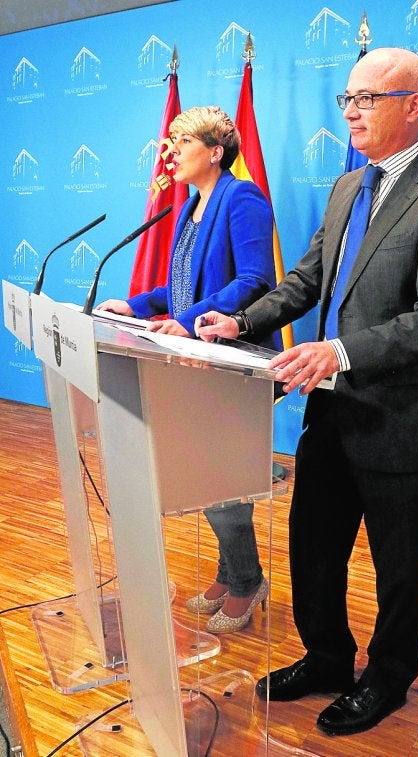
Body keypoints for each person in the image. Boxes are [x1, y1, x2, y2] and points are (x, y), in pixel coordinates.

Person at [195, 48, 418, 735]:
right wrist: (242, 320)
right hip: (330, 412)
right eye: (346, 99)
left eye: (367, 98)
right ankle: (326, 656)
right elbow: (303, 281)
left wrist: (342, 350)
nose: (351, 110)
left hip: (400, 418)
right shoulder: (345, 189)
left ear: (413, 105)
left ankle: (387, 678)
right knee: (313, 549)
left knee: (397, 567)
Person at [97, 105, 281, 633]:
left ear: (215, 152)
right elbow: (182, 286)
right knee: (206, 469)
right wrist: (135, 305)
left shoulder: (242, 199)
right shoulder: (188, 208)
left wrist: (187, 320)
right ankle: (233, 573)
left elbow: (253, 282)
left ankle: (246, 581)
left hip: (236, 359)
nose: (171, 153)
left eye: (183, 144)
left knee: (218, 471)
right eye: (171, 144)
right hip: (197, 360)